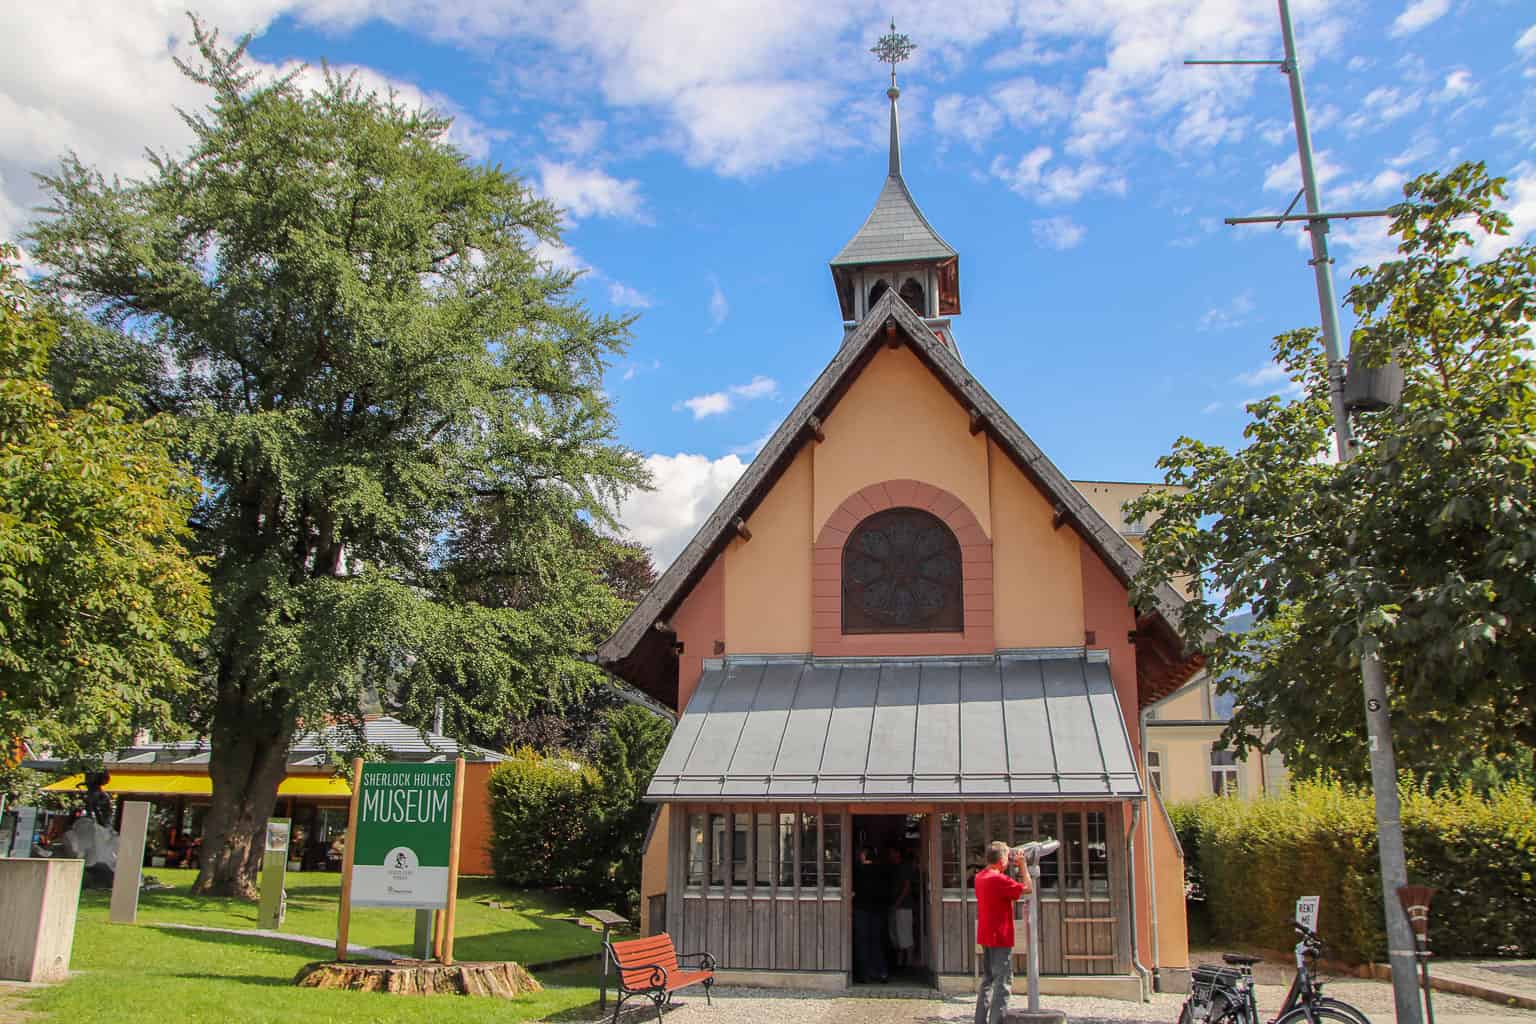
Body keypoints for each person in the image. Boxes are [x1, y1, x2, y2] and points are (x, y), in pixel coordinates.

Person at [974, 840, 1030, 1024]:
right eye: (1007, 856)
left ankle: (980, 1020)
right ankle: (997, 1020)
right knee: (1003, 982)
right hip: (1000, 935)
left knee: (988, 980)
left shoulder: (980, 876)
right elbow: (1027, 888)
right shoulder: (999, 879)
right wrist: (1023, 866)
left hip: (985, 934)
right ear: (1000, 860)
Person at [851, 845, 889, 983]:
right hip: (877, 910)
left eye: (861, 854)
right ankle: (882, 972)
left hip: (861, 909)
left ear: (864, 855)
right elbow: (886, 890)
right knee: (876, 941)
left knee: (862, 942)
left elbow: (852, 891)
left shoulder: (857, 871)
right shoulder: (881, 870)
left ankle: (865, 974)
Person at [887, 846, 917, 968]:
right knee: (897, 935)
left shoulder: (904, 867)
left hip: (904, 906)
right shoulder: (895, 867)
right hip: (896, 905)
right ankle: (900, 962)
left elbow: (906, 887)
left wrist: (897, 903)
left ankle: (909, 962)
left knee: (905, 934)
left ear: (897, 853)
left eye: (891, 852)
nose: (890, 855)